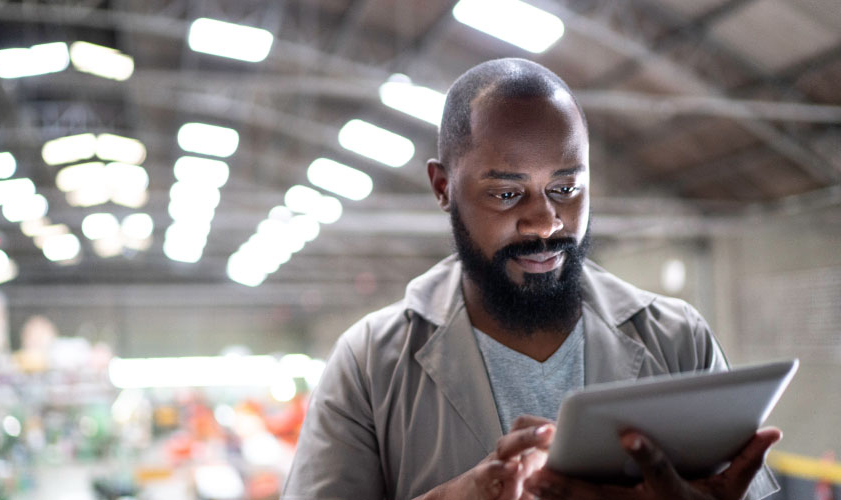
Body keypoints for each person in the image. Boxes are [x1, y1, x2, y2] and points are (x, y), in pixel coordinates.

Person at [281, 58, 780, 500]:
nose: (545, 222)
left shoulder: (678, 340)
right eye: (505, 194)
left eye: (566, 187)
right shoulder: (369, 364)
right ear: (442, 187)